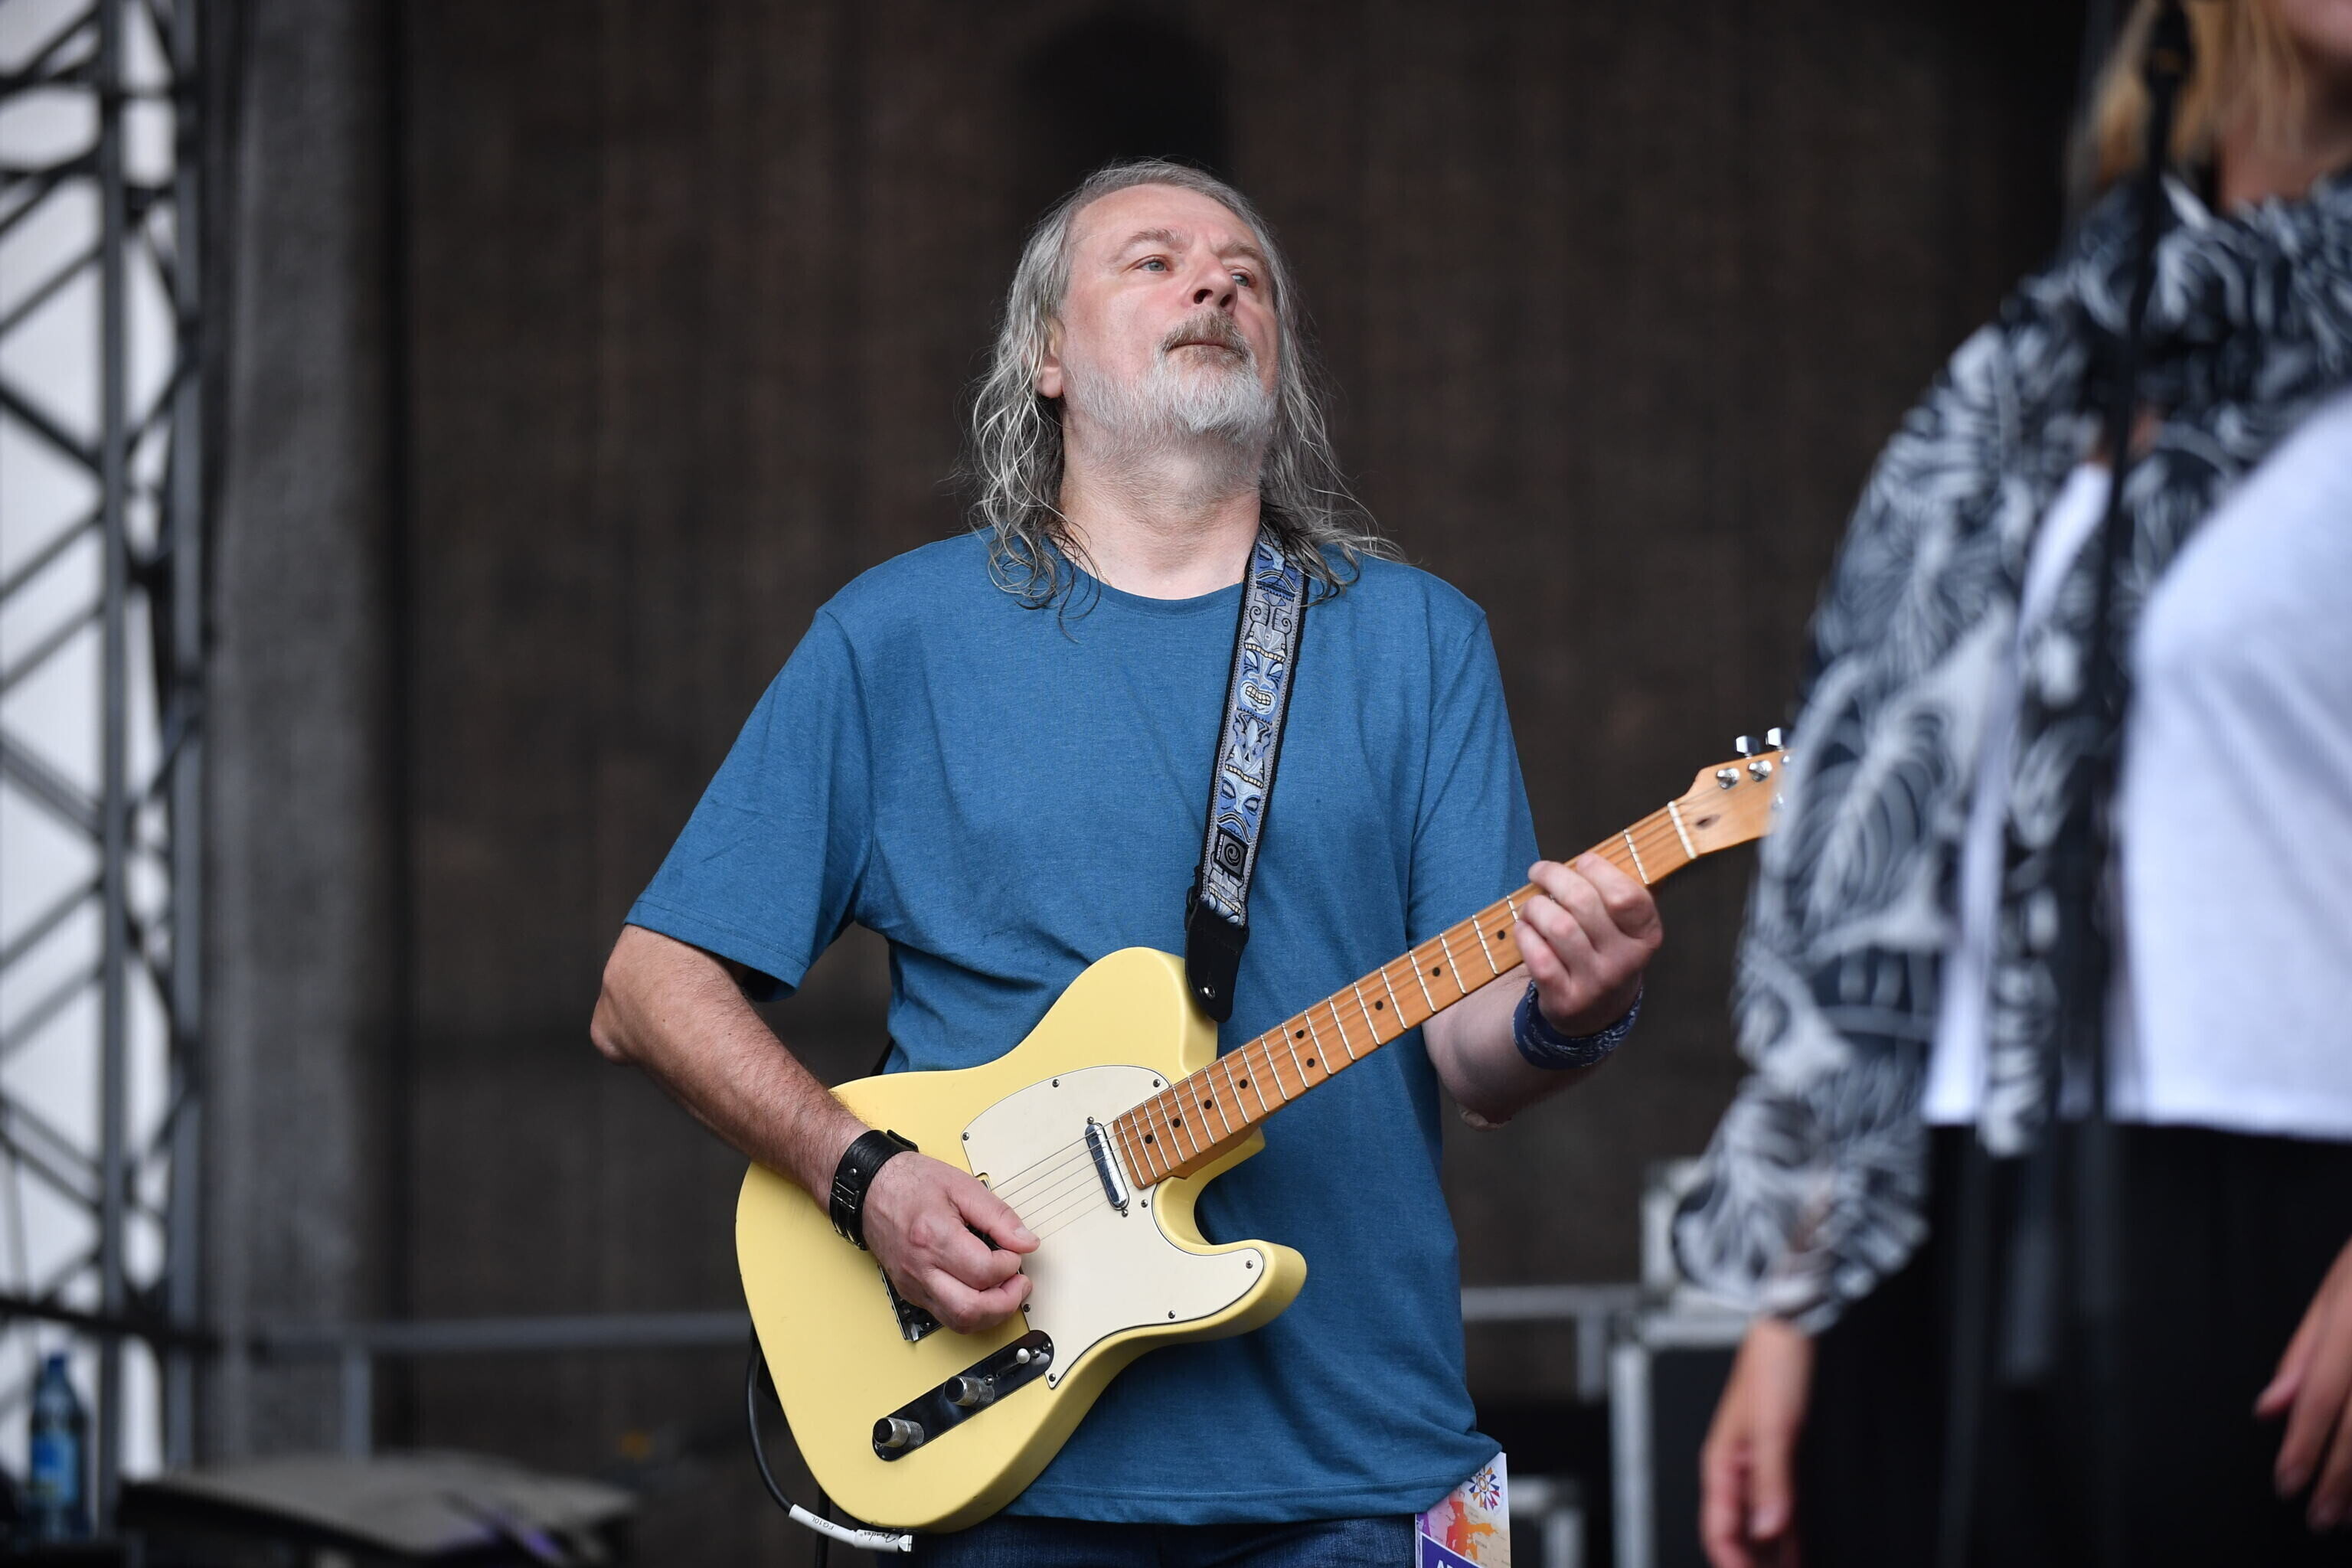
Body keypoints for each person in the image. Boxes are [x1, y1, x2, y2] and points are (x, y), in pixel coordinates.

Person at [588, 159, 1661, 1566]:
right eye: (1153, 261)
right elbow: (645, 989)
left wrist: (1577, 1008)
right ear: (1046, 355)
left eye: (1245, 275)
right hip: (1000, 1466)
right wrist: (866, 1179)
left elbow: (1476, 1063)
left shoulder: (1421, 640)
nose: (1212, 282)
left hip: (1361, 1457)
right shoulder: (898, 638)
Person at [1672, 2, 2352, 1564]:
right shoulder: (2036, 376)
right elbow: (1909, 854)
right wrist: (1798, 1296)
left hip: (2280, 1192)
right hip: (1958, 1205)